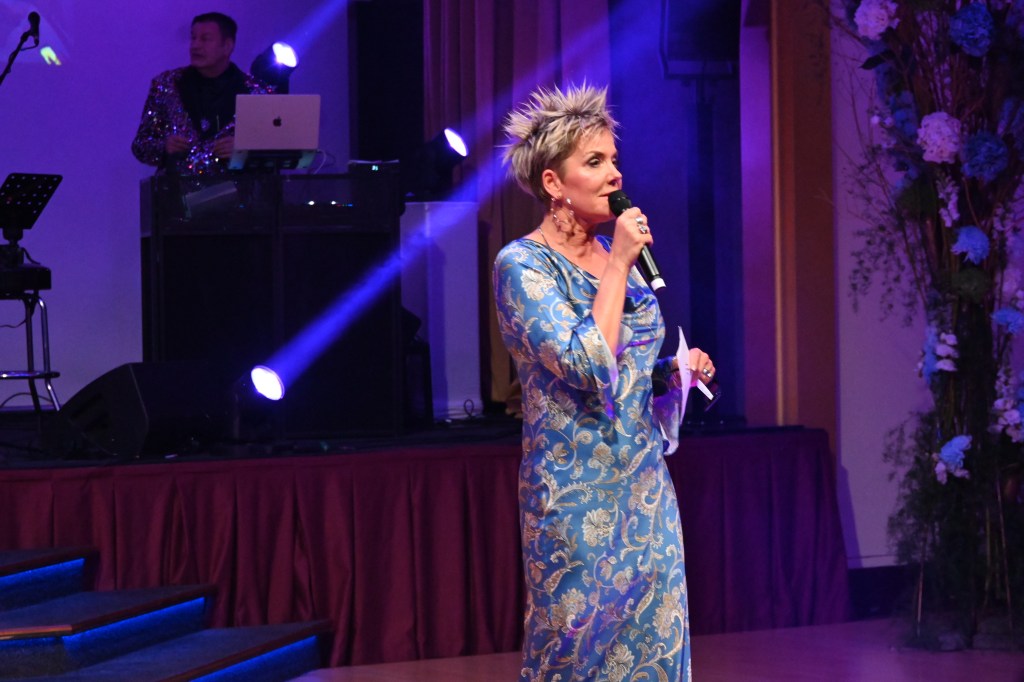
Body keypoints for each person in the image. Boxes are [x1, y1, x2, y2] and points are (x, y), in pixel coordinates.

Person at [493, 84, 715, 681]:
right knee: (577, 654)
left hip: (643, 489)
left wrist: (674, 374)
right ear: (553, 183)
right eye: (594, 161)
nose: (615, 174)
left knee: (654, 646)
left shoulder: (619, 259)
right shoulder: (523, 266)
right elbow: (588, 365)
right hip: (574, 498)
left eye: (614, 159)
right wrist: (618, 262)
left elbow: (628, 372)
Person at [131, 12, 271, 176]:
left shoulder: (255, 92)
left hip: (236, 187)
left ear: (227, 46)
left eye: (205, 39)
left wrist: (244, 151)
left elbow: (275, 151)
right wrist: (165, 147)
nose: (195, 46)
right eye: (193, 38)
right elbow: (141, 145)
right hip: (176, 187)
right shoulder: (167, 84)